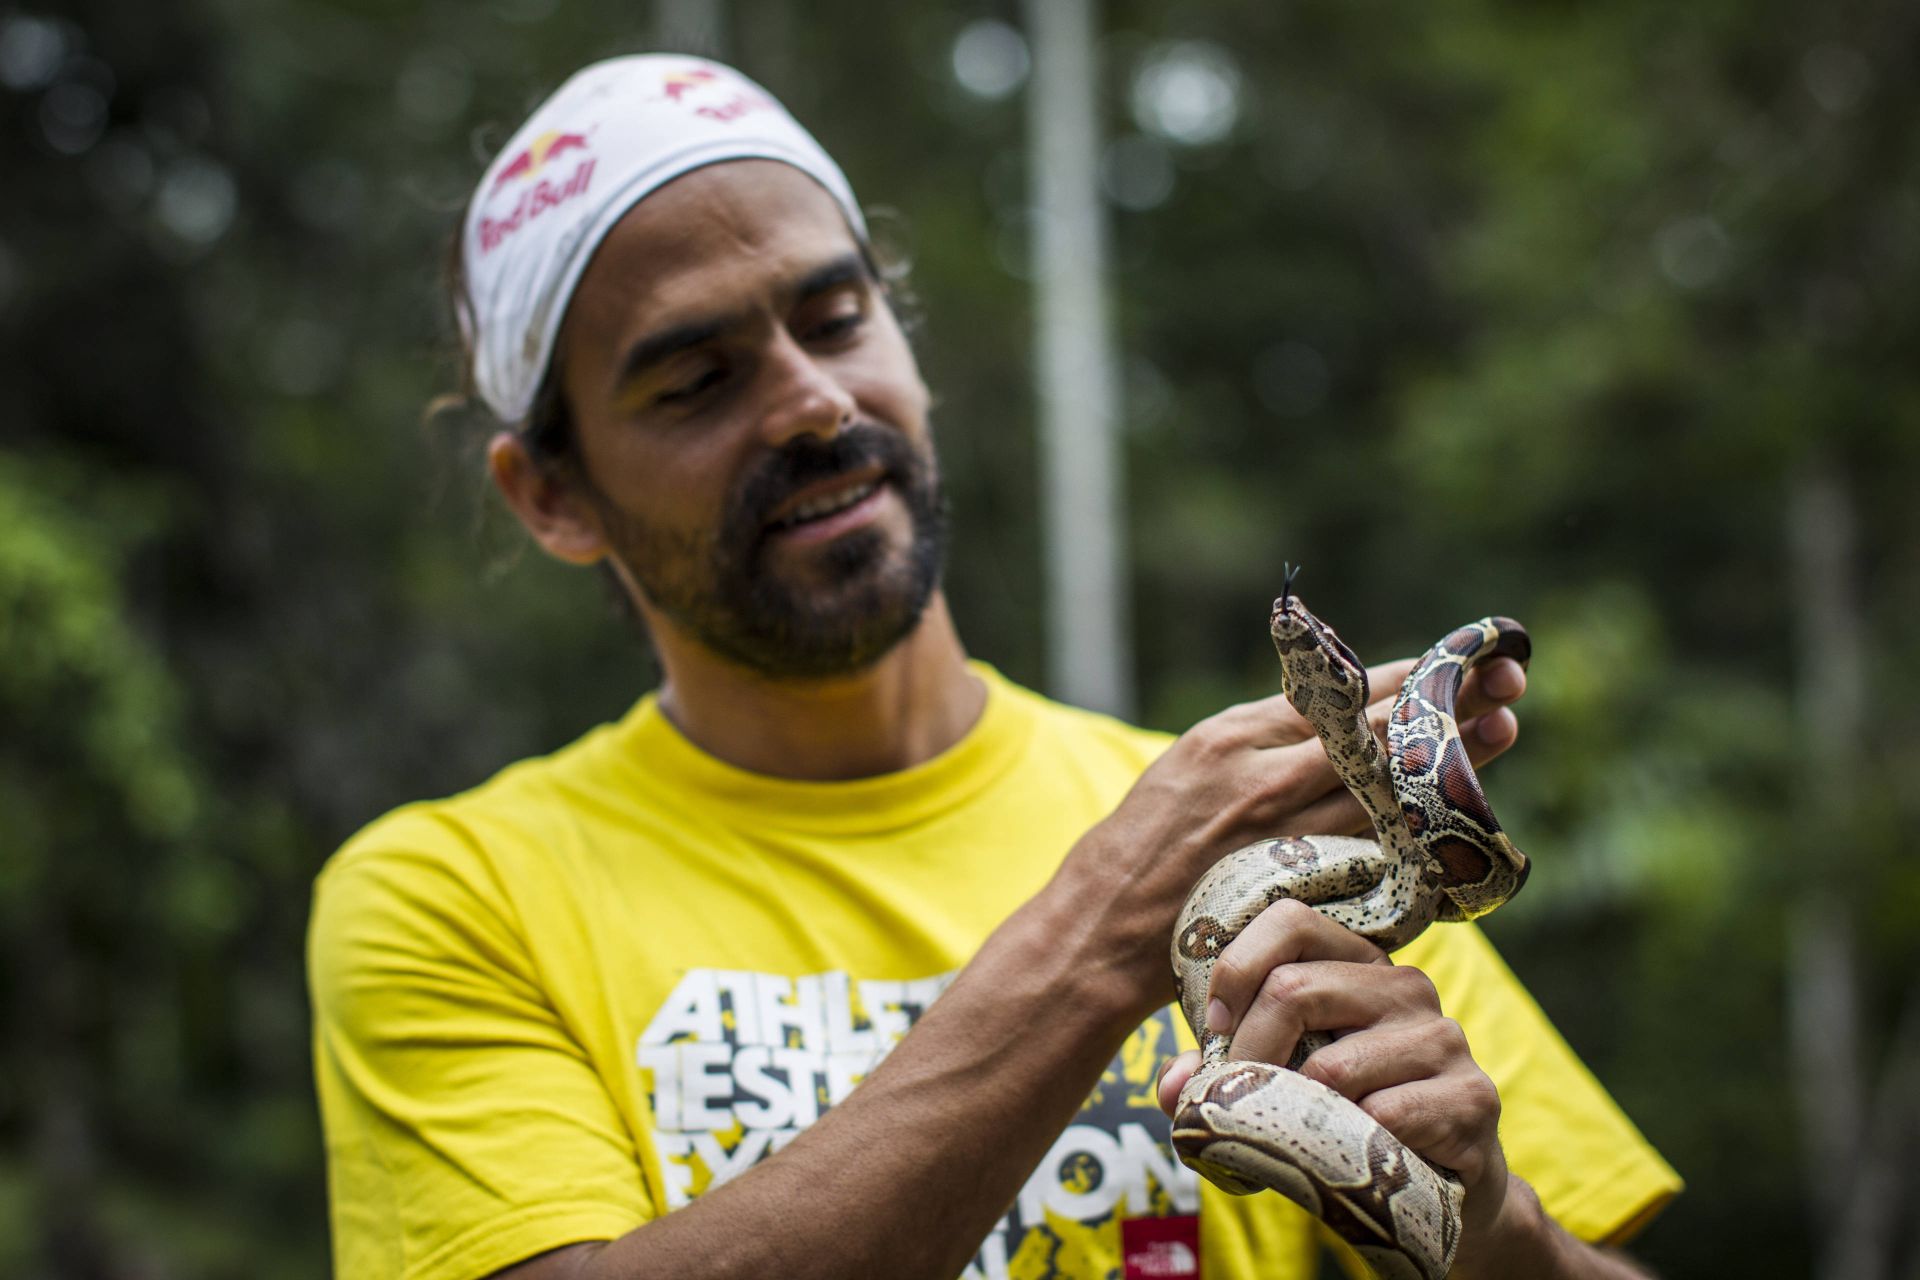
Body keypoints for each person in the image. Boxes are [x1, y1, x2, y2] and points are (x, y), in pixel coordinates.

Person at [307, 54, 1680, 1280]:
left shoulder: (1240, 819)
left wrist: (1492, 1233)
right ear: (550, 494)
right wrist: (1101, 935)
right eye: (695, 383)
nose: (814, 400)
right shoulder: (451, 899)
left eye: (835, 316)